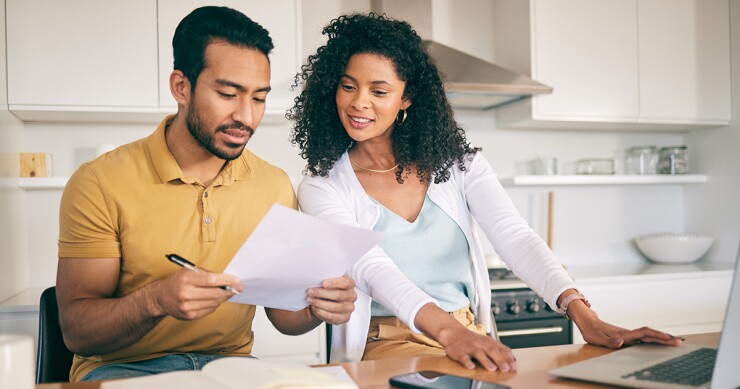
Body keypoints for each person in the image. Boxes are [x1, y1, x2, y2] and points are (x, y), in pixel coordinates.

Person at [288, 13, 682, 372]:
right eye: (348, 86)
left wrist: (586, 318)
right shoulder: (322, 187)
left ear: (405, 99)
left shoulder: (459, 165)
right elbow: (372, 269)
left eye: (379, 91)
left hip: (468, 333)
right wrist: (448, 333)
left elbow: (515, 237)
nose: (359, 102)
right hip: (388, 344)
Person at [56, 6, 356, 383]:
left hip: (232, 369)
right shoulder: (99, 182)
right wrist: (156, 300)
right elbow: (76, 331)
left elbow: (284, 317)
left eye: (259, 98)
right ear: (182, 87)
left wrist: (318, 306)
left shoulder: (273, 185)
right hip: (124, 370)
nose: (246, 117)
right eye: (228, 93)